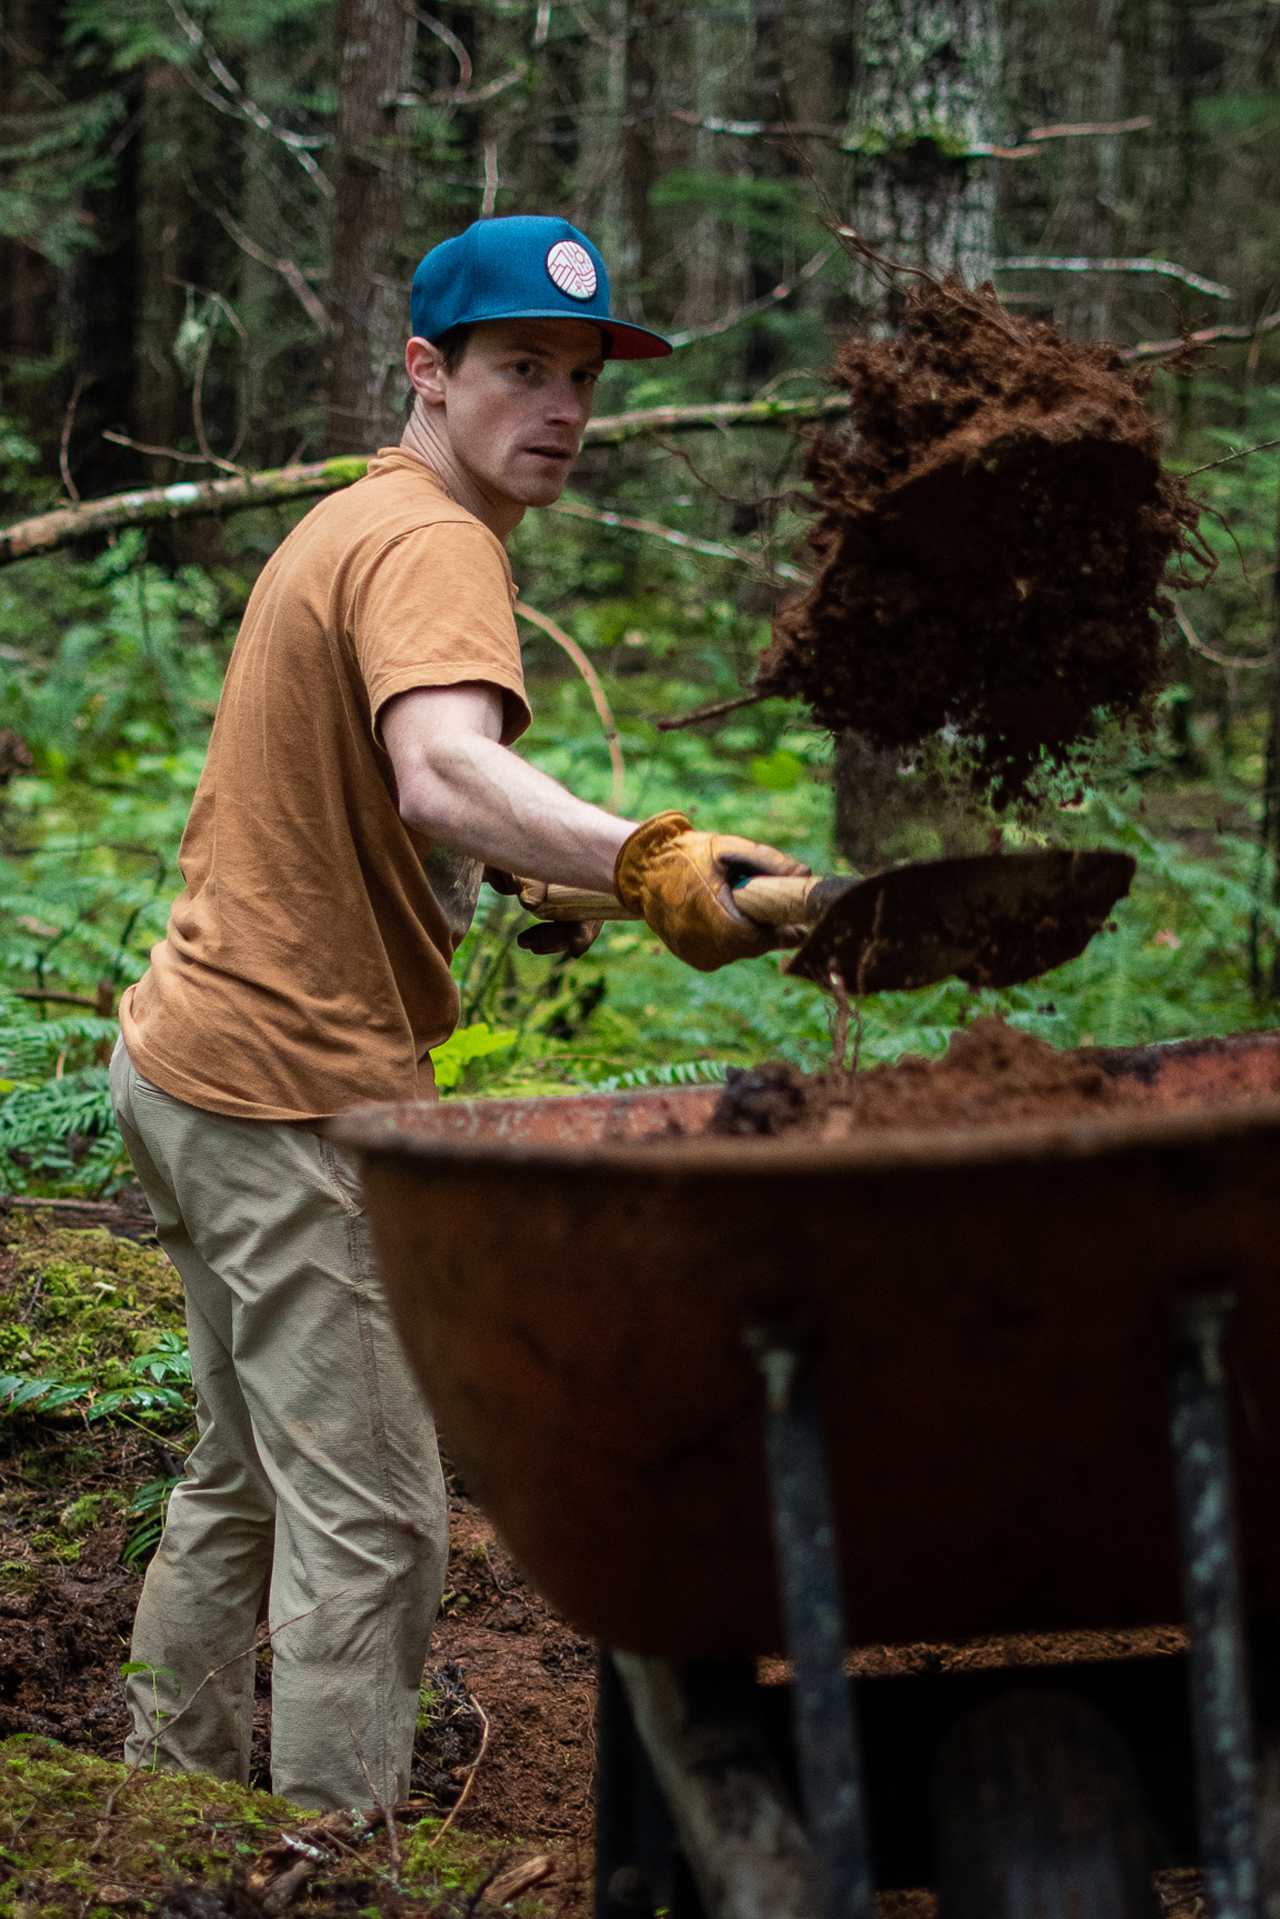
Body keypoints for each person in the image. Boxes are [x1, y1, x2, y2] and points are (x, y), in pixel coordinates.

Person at [109, 213, 810, 1811]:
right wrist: (645, 859)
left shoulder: (359, 520)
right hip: (287, 1099)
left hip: (186, 1067)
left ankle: (164, 1819)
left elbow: (412, 808)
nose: (558, 407)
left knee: (244, 1486)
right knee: (372, 1519)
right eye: (518, 369)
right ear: (427, 372)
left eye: (580, 376)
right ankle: (321, 1887)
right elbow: (442, 769)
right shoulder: (438, 543)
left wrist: (591, 885)